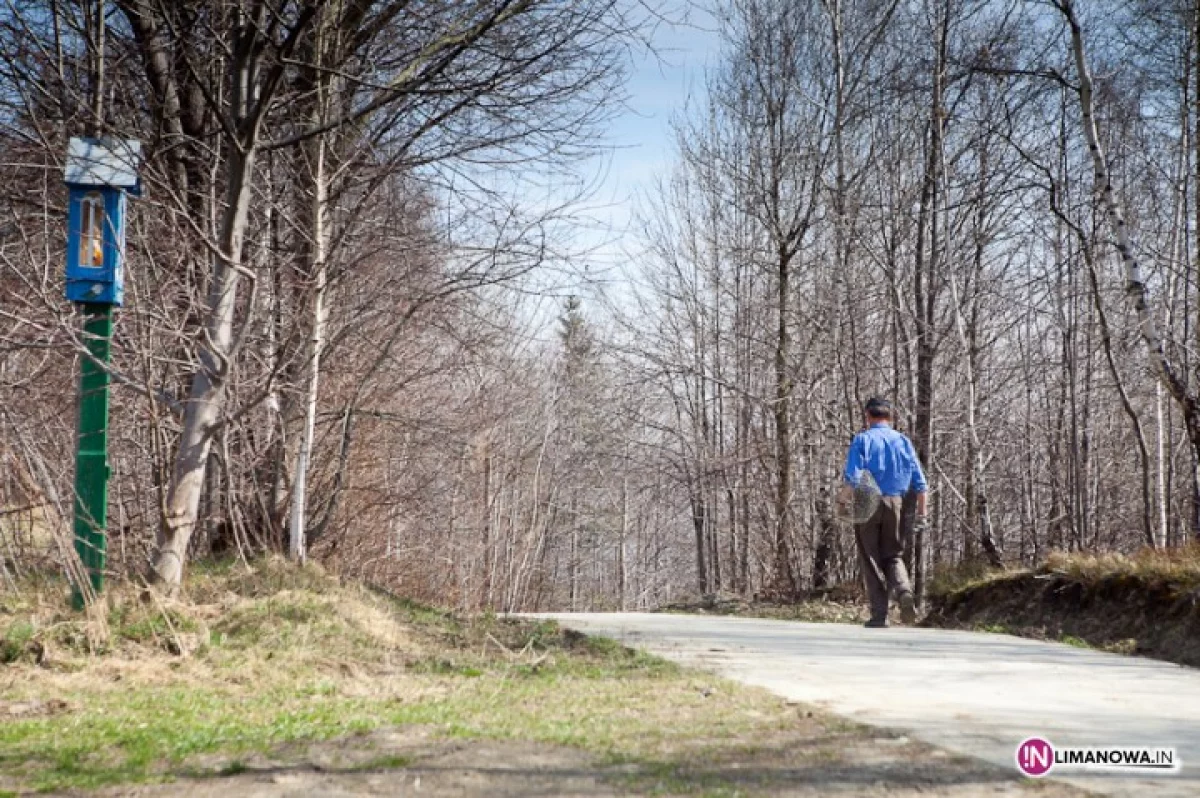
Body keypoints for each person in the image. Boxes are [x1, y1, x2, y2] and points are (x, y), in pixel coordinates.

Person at [838, 397, 927, 628]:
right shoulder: (903, 442)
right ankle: (904, 590)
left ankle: (880, 615)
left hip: (867, 500)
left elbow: (854, 477)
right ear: (890, 417)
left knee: (870, 558)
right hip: (895, 501)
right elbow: (920, 483)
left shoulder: (863, 440)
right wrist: (922, 514)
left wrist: (842, 501)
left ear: (868, 416)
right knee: (893, 555)